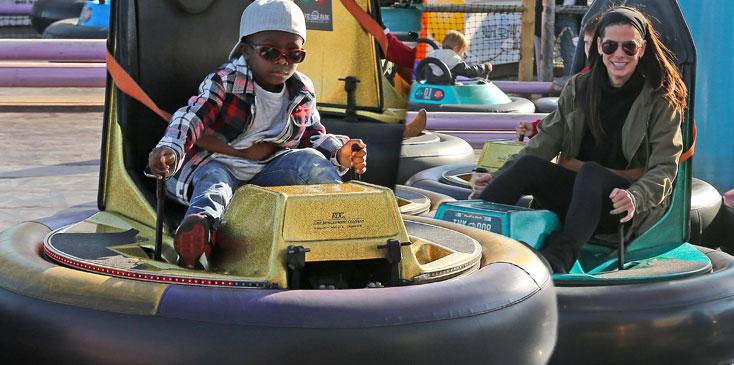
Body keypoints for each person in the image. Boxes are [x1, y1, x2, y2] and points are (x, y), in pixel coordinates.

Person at [147, 0, 367, 269]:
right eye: (270, 52)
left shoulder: (301, 89)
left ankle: (341, 225)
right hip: (217, 165)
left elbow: (311, 134)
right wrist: (171, 148)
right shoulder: (226, 81)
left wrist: (340, 153)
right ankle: (198, 235)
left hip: (268, 171)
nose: (283, 62)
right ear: (246, 51)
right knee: (215, 185)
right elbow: (191, 117)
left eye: (294, 55)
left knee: (310, 160)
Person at [471, 6, 688, 273]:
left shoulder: (660, 99)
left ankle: (559, 259)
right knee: (528, 165)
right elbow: (544, 142)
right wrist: (496, 177)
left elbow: (665, 167)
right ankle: (470, 230)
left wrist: (636, 196)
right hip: (576, 198)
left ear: (641, 49)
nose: (619, 54)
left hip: (620, 206)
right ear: (599, 46)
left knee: (591, 173)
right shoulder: (579, 88)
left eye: (629, 47)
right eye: (610, 46)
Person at [425, 30, 492, 84]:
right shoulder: (453, 58)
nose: (464, 55)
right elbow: (469, 72)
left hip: (431, 86)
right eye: (463, 52)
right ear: (457, 49)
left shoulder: (433, 54)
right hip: (446, 89)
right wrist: (484, 67)